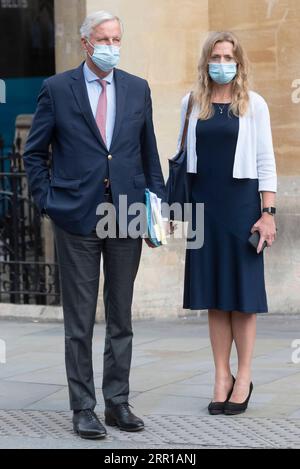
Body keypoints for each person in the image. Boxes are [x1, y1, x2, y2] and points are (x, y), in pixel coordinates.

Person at [24, 10, 166, 439]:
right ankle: (82, 406)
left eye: (116, 39)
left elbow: (149, 152)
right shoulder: (56, 89)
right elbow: (34, 154)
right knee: (80, 319)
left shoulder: (138, 89)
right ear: (86, 43)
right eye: (103, 39)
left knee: (121, 315)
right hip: (78, 216)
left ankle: (117, 401)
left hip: (126, 214)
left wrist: (158, 203)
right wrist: (48, 202)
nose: (111, 47)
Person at [176, 31, 277, 415]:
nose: (222, 62)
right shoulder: (191, 103)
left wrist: (267, 214)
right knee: (214, 298)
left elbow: (267, 161)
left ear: (239, 62)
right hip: (205, 206)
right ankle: (221, 376)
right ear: (206, 62)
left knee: (242, 298)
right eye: (216, 56)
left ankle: (245, 376)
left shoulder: (254, 104)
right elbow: (182, 157)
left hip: (241, 206)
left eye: (228, 56)